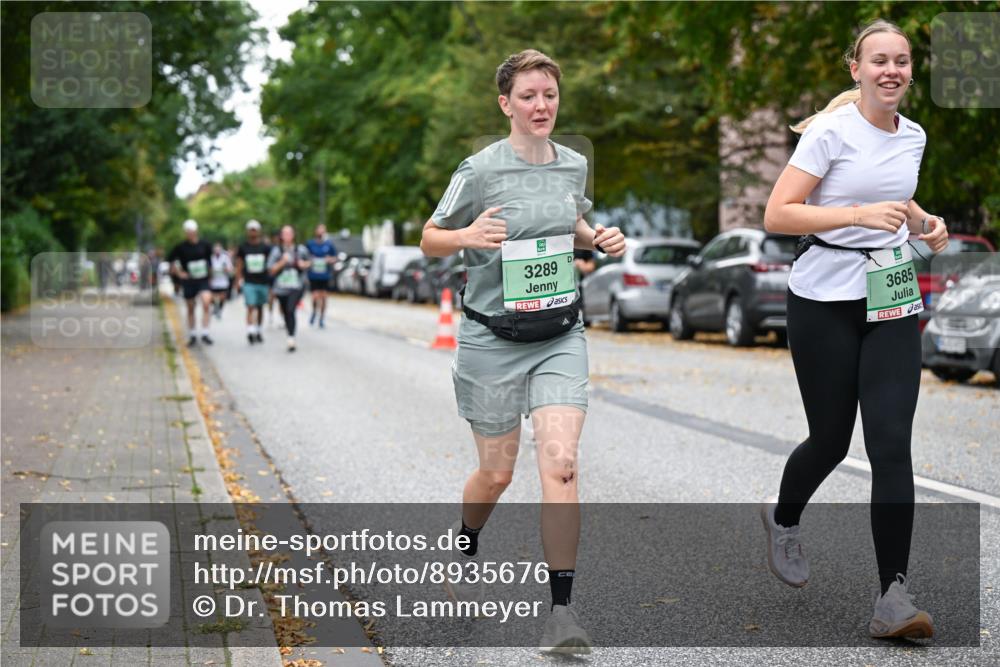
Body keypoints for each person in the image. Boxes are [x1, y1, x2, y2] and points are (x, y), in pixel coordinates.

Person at [419, 49, 625, 655]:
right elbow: (431, 237)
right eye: (529, 97)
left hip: (560, 335)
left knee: (560, 464)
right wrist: (465, 235)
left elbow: (575, 222)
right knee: (497, 472)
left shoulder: (573, 165)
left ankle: (562, 614)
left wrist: (600, 237)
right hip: (491, 338)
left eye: (550, 96)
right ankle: (467, 539)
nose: (542, 107)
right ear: (506, 104)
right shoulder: (479, 170)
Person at [760, 19, 948, 640]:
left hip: (891, 296)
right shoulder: (829, 132)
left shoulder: (913, 135)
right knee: (832, 440)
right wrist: (858, 215)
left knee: (891, 444)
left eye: (900, 61)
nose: (890, 71)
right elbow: (778, 212)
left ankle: (893, 595)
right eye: (878, 61)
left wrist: (924, 221)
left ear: (910, 70)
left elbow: (897, 193)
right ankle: (784, 521)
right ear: (856, 69)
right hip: (823, 298)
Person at [168, 219, 215, 346]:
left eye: (192, 231)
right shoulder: (180, 247)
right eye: (188, 231)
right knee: (191, 307)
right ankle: (193, 334)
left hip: (203, 279)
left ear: (196, 231)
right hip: (189, 281)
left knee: (206, 302)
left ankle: (205, 333)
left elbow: (210, 262)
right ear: (185, 232)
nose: (190, 233)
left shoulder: (205, 245)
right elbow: (171, 261)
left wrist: (211, 277)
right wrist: (179, 273)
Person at [267, 225, 311, 352]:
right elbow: (271, 270)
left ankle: (291, 338)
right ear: (281, 236)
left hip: (297, 285)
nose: (287, 236)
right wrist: (282, 262)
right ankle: (289, 333)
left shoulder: (300, 249)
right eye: (284, 233)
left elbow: (309, 262)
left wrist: (303, 264)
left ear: (293, 235)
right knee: (286, 311)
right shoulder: (276, 251)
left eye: (289, 233)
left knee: (291, 309)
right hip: (281, 287)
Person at [236, 220, 272, 344]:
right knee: (250, 306)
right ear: (247, 231)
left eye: (255, 229)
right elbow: (239, 264)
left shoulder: (265, 247)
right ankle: (250, 331)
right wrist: (238, 280)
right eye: (250, 229)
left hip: (262, 282)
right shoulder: (243, 247)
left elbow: (270, 264)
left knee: (260, 307)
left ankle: (259, 330)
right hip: (249, 281)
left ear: (259, 231)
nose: (253, 232)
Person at [306, 223, 337, 328]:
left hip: (325, 275)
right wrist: (310, 260)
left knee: (324, 297)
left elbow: (335, 258)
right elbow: (304, 257)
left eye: (323, 230)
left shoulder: (329, 244)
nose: (321, 232)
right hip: (314, 275)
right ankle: (314, 311)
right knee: (315, 296)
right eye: (320, 230)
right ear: (316, 231)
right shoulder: (310, 244)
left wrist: (330, 260)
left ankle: (322, 318)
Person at [209, 242, 234, 319]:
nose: (217, 250)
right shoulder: (211, 257)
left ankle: (219, 310)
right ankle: (215, 307)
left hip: (223, 280)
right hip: (213, 281)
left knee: (222, 297)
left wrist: (226, 269)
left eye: (218, 249)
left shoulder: (225, 257)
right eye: (215, 249)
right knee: (212, 298)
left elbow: (230, 268)